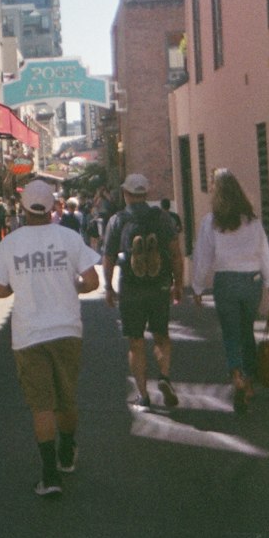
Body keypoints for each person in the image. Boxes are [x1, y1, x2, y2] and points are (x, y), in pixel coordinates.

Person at [0, 178, 101, 498]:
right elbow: (92, 281)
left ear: (23, 208)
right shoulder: (69, 237)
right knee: (66, 398)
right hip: (67, 328)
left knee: (41, 406)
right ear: (52, 207)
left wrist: (16, 287)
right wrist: (70, 286)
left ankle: (49, 475)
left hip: (28, 332)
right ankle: (67, 452)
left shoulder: (12, 242)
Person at [191, 168, 269, 411]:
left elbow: (203, 256)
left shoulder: (211, 221)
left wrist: (197, 286)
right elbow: (264, 254)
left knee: (230, 333)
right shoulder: (252, 220)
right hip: (251, 282)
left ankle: (236, 373)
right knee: (247, 330)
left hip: (225, 282)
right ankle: (249, 379)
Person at [103, 173, 185, 410]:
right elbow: (176, 254)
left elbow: (108, 257)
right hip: (158, 285)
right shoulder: (162, 218)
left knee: (135, 342)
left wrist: (108, 287)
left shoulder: (118, 220)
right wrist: (177, 284)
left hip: (131, 288)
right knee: (161, 335)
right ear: (146, 194)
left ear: (126, 194)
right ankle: (164, 376)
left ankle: (143, 396)